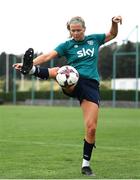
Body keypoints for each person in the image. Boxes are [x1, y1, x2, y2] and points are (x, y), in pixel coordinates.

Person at [13, 15, 122, 176]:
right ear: (69, 31)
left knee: (91, 128)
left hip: (91, 86)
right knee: (61, 71)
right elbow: (47, 56)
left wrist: (114, 23)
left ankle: (86, 164)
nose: (76, 33)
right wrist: (30, 62)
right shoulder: (67, 45)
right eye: (73, 31)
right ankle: (30, 68)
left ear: (84, 29)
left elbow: (112, 34)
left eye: (78, 30)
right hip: (73, 81)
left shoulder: (94, 40)